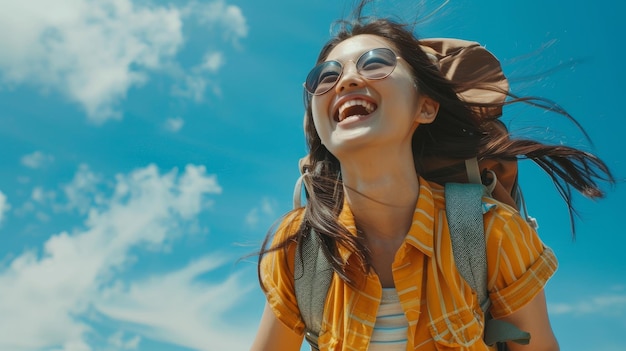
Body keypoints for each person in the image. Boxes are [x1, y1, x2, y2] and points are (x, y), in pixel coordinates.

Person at [251, 1, 614, 350]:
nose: (345, 80)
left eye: (375, 63)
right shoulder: (300, 247)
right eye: (326, 76)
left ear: (425, 106)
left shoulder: (492, 235)